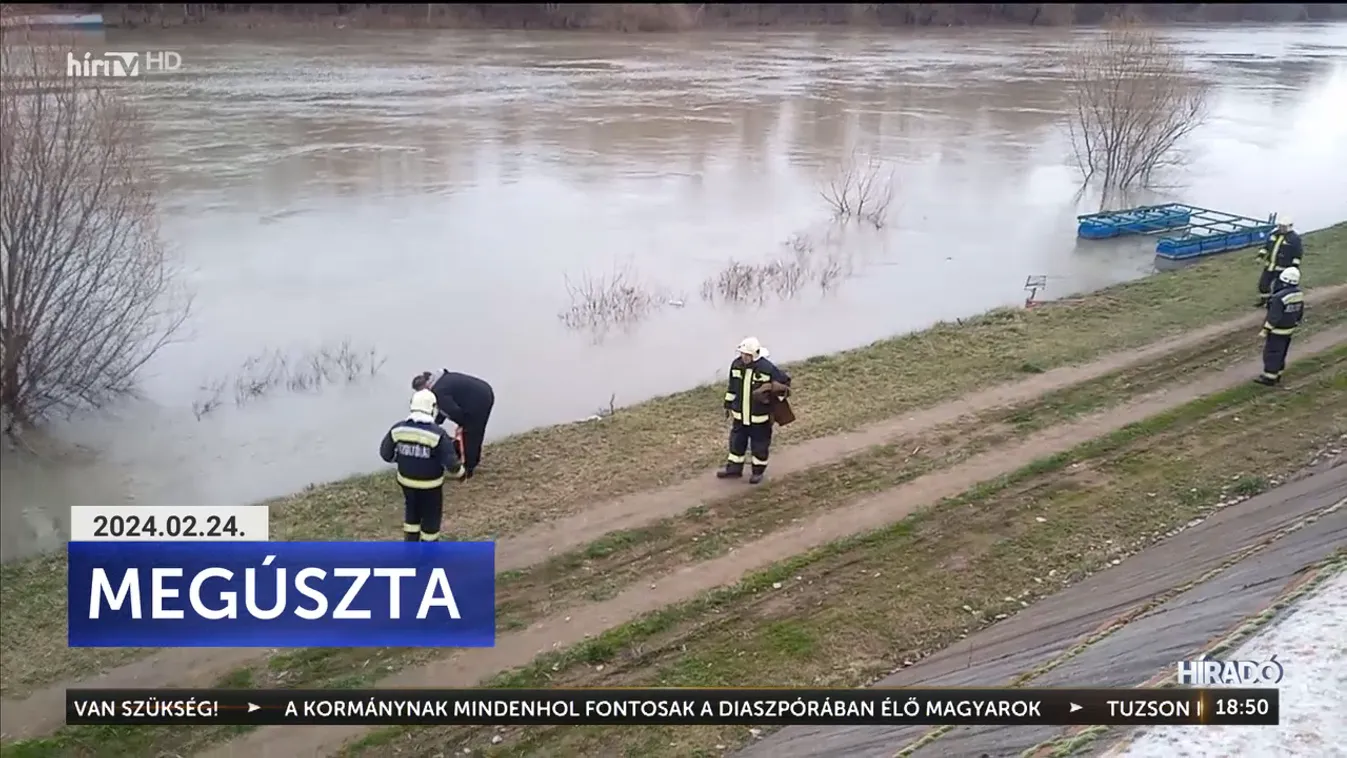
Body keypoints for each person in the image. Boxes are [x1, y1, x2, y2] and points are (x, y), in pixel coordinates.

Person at [379, 389, 465, 541]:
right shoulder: (438, 434)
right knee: (431, 519)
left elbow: (386, 454)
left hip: (406, 483)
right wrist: (461, 474)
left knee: (412, 514)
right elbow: (451, 464)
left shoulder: (398, 429)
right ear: (432, 408)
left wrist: (402, 458)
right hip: (431, 486)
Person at [716, 337, 792, 484]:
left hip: (760, 418)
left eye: (747, 354)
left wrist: (773, 391)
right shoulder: (736, 365)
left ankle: (758, 472)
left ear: (755, 354)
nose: (744, 357)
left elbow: (784, 382)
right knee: (736, 443)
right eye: (742, 353)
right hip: (739, 416)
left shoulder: (767, 368)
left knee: (760, 445)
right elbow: (732, 387)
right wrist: (728, 404)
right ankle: (734, 469)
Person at [412, 369, 495, 479]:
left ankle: (467, 469)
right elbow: (444, 408)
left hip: (478, 400)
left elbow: (452, 410)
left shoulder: (438, 391)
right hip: (483, 392)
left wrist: (462, 423)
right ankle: (468, 461)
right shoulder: (440, 381)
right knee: (473, 432)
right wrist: (436, 422)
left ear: (424, 388)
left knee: (470, 433)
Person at [1256, 267, 1304, 387]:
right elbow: (1300, 311)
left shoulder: (1278, 298)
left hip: (1277, 330)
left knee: (1271, 353)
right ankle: (1278, 373)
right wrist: (1296, 321)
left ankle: (1269, 377)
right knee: (1282, 352)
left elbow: (1274, 316)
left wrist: (1265, 330)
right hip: (1289, 329)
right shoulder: (1298, 293)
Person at [1255, 216, 1302, 307]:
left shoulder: (1294, 239)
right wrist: (1260, 256)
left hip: (1283, 268)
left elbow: (1297, 254)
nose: (1281, 228)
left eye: (1283, 227)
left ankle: (1274, 303)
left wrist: (1294, 267)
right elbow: (1266, 247)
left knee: (1278, 287)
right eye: (1280, 226)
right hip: (1270, 265)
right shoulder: (1274, 234)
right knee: (1263, 284)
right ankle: (1265, 300)